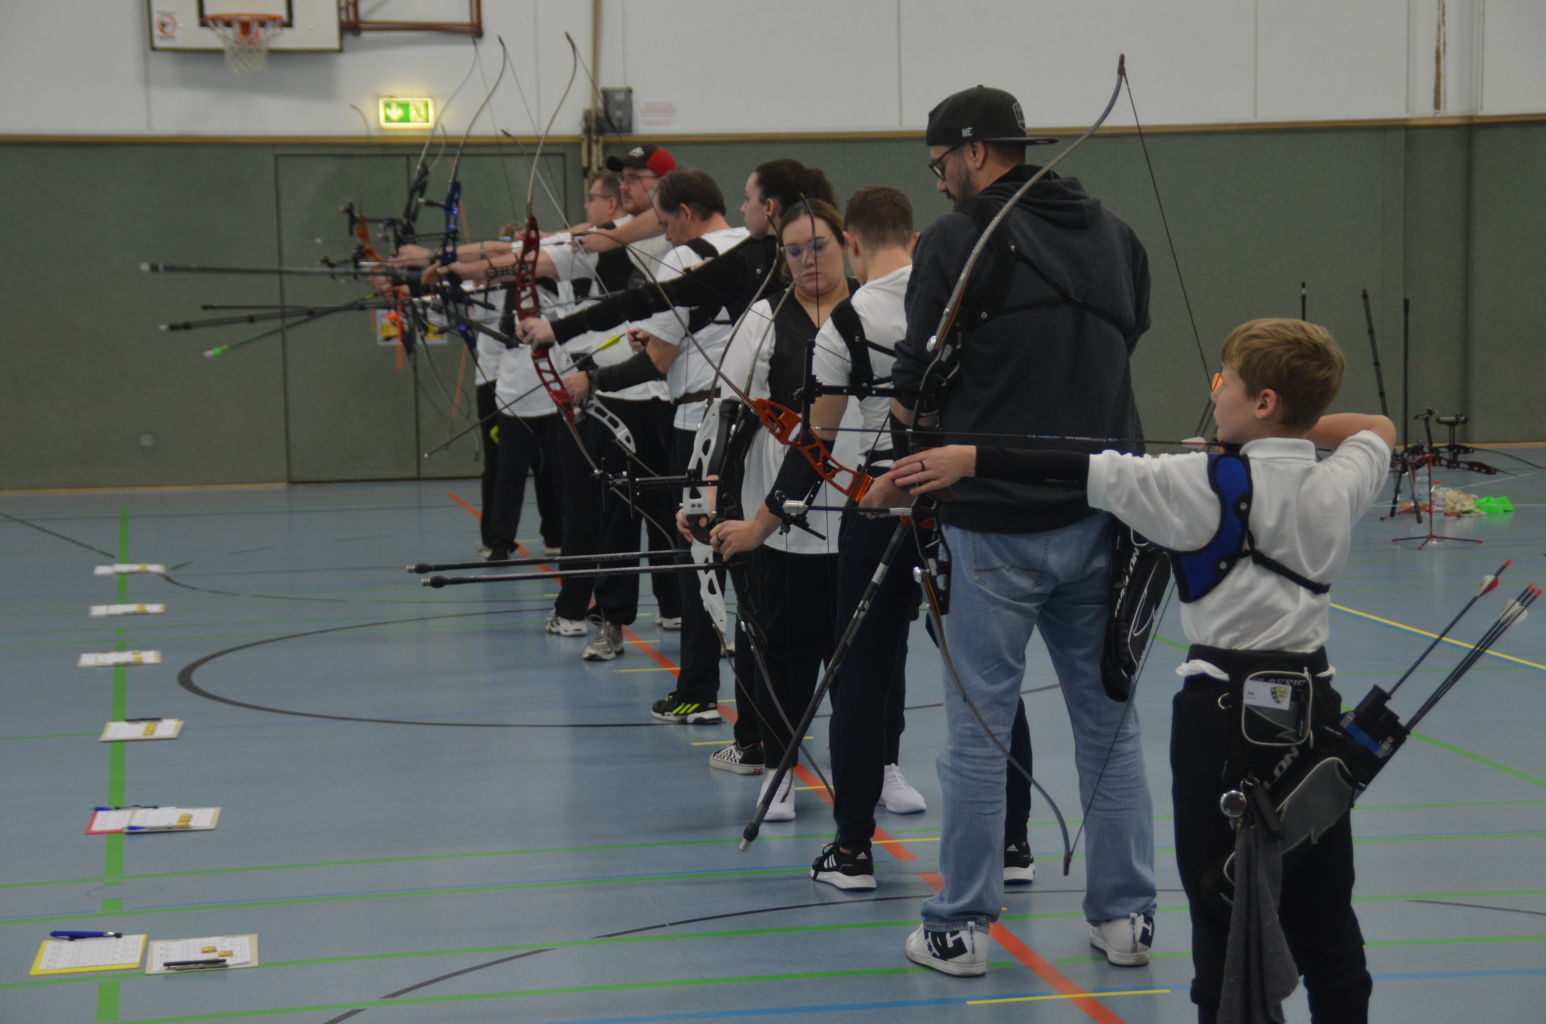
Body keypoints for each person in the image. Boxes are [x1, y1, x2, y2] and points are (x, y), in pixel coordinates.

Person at [890, 317, 1393, 1022]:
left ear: (1264, 402)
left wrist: (969, 458)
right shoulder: (1339, 481)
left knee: (1220, 902)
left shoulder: (1195, 482)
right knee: (1325, 909)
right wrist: (1286, 435)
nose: (1214, 394)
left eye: (1225, 383)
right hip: (1315, 717)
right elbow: (1377, 428)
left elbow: (1076, 468)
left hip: (1221, 720)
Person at [879, 84, 1157, 975]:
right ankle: (1126, 918)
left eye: (940, 164)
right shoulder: (1117, 235)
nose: (939, 183)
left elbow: (916, 381)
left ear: (973, 151)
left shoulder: (956, 239)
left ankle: (960, 926)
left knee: (977, 733)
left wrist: (909, 449)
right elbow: (1119, 344)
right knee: (1109, 728)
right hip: (1101, 513)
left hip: (993, 522)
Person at [702, 199, 853, 820]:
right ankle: (779, 768)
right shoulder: (765, 317)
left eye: (819, 246)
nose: (807, 260)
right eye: (793, 251)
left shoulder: (867, 309)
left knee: (865, 652)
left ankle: (879, 766)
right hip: (780, 505)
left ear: (845, 244)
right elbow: (728, 412)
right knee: (784, 648)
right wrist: (708, 495)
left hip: (860, 501)